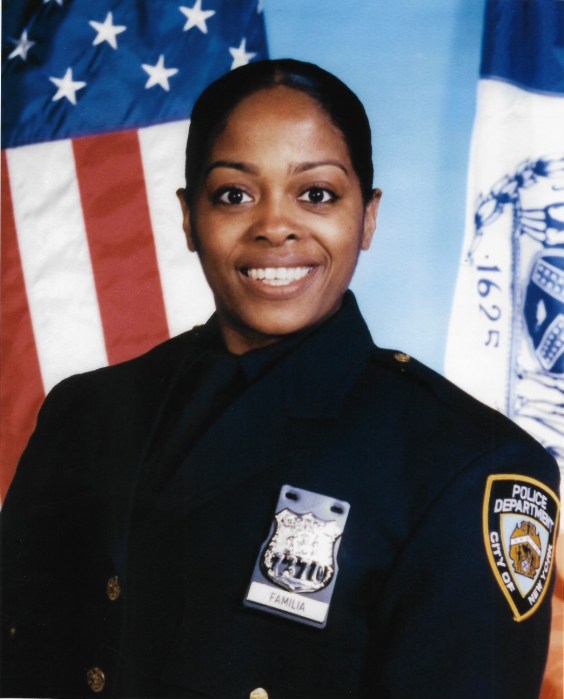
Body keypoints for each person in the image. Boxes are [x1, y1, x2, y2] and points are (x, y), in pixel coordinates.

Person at [1, 59, 560, 699]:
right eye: (234, 194)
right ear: (188, 218)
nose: (274, 225)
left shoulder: (466, 464)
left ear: (369, 217)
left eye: (316, 193)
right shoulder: (85, 412)